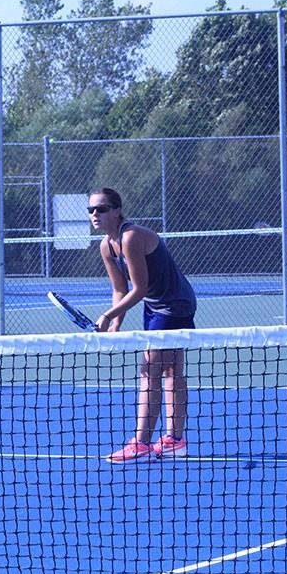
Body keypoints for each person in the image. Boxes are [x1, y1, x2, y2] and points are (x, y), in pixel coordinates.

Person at [88, 187, 197, 463]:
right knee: (170, 369)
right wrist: (115, 326)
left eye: (101, 209)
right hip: (155, 305)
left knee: (150, 369)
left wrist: (107, 316)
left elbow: (139, 288)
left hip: (174, 304)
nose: (94, 215)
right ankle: (174, 440)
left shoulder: (131, 237)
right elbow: (119, 289)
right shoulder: (106, 246)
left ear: (116, 210)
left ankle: (142, 443)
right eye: (90, 210)